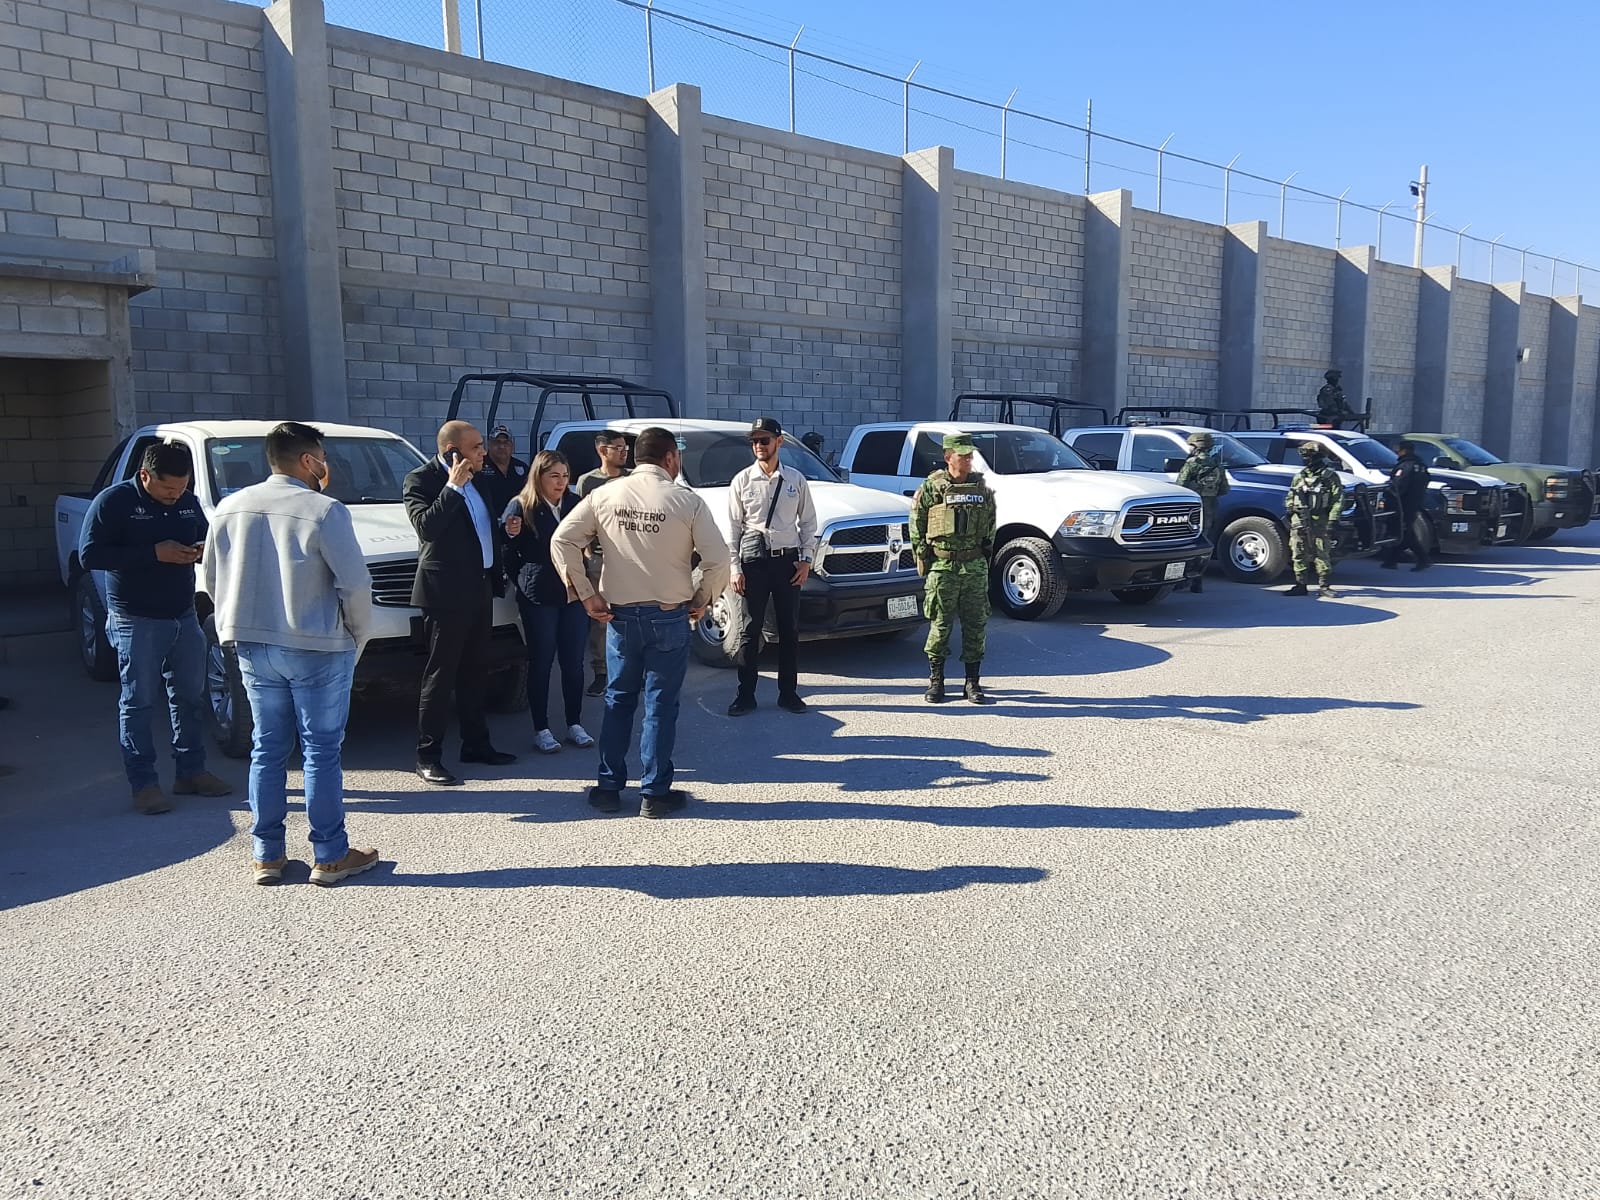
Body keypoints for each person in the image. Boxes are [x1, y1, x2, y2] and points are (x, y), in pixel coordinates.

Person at [203, 422, 379, 887]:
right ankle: (330, 854)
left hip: (253, 643)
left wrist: (235, 628)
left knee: (267, 748)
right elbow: (355, 584)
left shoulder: (229, 507)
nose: (326, 467)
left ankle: (267, 854)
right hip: (316, 644)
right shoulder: (324, 510)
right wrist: (358, 636)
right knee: (320, 751)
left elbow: (213, 579)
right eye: (322, 458)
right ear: (307, 460)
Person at [550, 427, 731, 818]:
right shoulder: (687, 501)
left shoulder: (605, 494)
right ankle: (654, 792)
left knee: (618, 700)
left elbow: (562, 539)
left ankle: (608, 787)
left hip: (620, 616)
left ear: (636, 457)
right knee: (660, 705)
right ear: (670, 458)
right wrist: (701, 600)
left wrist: (585, 593)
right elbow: (718, 559)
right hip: (668, 615)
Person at [80, 441, 232, 815]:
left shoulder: (186, 501)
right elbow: (90, 555)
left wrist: (199, 549)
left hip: (183, 614)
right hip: (135, 618)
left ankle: (191, 772)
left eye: (181, 488)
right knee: (139, 702)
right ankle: (144, 784)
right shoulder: (114, 502)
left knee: (190, 698)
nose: (174, 495)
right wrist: (153, 553)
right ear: (145, 475)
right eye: (167, 488)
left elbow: (205, 534)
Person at [403, 420, 518, 786]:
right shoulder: (421, 480)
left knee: (475, 670)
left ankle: (476, 744)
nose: (484, 452)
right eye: (477, 447)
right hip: (446, 593)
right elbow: (427, 528)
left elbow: (478, 529)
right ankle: (428, 755)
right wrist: (453, 485)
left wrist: (504, 530)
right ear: (453, 451)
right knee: (441, 675)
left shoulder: (480, 479)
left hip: (480, 587)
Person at [502, 450, 595, 755]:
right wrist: (523, 579)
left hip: (574, 592)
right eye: (554, 476)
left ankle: (574, 723)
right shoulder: (522, 505)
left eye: (565, 476)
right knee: (541, 662)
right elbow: (507, 548)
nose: (561, 482)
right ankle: (541, 728)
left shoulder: (574, 503)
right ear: (538, 476)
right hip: (539, 594)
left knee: (574, 663)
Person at [727, 417, 818, 716]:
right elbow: (733, 528)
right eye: (754, 441)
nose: (758, 445)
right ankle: (745, 695)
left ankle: (788, 694)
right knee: (749, 630)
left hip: (787, 562)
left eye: (764, 440)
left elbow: (808, 522)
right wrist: (734, 568)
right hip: (754, 563)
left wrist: (806, 560)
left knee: (789, 630)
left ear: (779, 442)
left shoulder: (795, 479)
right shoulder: (742, 480)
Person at [910, 433, 997, 705]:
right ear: (948, 457)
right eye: (963, 455)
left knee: (976, 625)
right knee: (940, 625)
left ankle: (972, 682)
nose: (969, 460)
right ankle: (936, 681)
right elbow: (917, 525)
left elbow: (990, 527)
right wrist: (924, 558)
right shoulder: (932, 488)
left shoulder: (981, 489)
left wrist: (982, 559)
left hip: (974, 566)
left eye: (970, 455)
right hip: (943, 566)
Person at [575, 430, 632, 697]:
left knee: (631, 615)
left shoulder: (632, 478)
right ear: (602, 450)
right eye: (618, 448)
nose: (624, 452)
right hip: (599, 557)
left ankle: (631, 670)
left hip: (629, 557)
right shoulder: (588, 482)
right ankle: (601, 672)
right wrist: (587, 554)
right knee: (601, 619)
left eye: (625, 448)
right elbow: (581, 521)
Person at [1174, 430, 1230, 594]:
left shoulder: (1192, 464)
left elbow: (1180, 486)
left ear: (1196, 447)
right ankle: (1197, 581)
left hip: (1192, 510)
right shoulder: (1217, 465)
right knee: (1203, 545)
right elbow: (1224, 489)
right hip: (1210, 509)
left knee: (1186, 544)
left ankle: (1182, 579)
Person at [1284, 441, 1342, 598]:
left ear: (1318, 457)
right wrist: (1290, 509)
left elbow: (1338, 500)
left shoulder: (1329, 477)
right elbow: (1290, 495)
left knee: (1322, 552)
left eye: (1308, 456)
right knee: (1298, 550)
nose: (1305, 459)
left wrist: (1333, 521)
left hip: (1320, 520)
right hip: (1299, 520)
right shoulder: (1300, 476)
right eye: (1304, 456)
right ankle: (1300, 584)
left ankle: (1324, 585)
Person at [1382, 440, 1432, 572]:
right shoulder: (1420, 465)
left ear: (1404, 450)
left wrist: (1386, 494)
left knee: (1405, 532)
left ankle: (1423, 559)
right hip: (1415, 503)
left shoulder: (1405, 466)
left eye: (1398, 449)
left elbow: (1398, 487)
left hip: (1402, 505)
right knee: (1403, 531)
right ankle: (1391, 560)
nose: (1396, 452)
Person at [478, 424, 528, 518]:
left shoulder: (522, 468)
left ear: (512, 445)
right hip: (487, 521)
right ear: (489, 444)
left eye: (506, 442)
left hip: (515, 523)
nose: (502, 446)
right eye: (497, 442)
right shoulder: (479, 466)